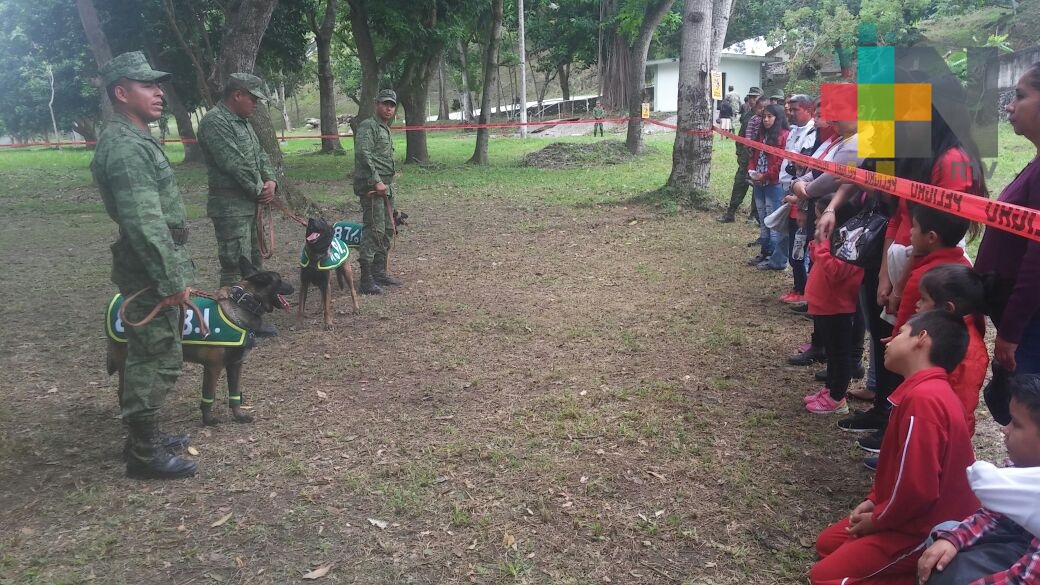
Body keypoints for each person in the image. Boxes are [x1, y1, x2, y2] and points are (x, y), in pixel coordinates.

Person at [809, 310, 979, 585]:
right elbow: (898, 470)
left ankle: (927, 572)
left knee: (825, 578)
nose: (887, 341)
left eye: (900, 333)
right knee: (826, 544)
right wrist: (875, 499)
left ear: (921, 339)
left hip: (926, 529)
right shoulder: (922, 391)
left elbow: (917, 490)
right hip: (905, 516)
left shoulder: (925, 401)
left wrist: (877, 520)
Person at [90, 51, 198, 480]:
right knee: (157, 356)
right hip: (149, 269)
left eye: (158, 84)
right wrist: (172, 280)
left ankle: (145, 437)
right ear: (121, 92)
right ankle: (142, 452)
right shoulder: (125, 148)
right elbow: (144, 222)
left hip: (152, 265)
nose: (158, 92)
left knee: (153, 351)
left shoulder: (134, 139)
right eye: (147, 85)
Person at [918, 374, 1040, 585]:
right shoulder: (1022, 466)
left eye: (1017, 425)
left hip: (1029, 558)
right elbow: (994, 514)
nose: (1005, 429)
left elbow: (1026, 579)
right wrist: (953, 539)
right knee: (942, 535)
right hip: (1020, 542)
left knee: (945, 575)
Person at [975, 63, 1040, 426]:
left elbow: (1037, 258)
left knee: (1027, 418)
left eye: (1020, 96)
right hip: (1024, 323)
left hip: (1030, 327)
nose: (1010, 106)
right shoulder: (1035, 162)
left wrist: (1012, 330)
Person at [197, 73, 279, 336]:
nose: (255, 104)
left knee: (253, 266)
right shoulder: (215, 122)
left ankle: (251, 318)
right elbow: (233, 162)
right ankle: (230, 324)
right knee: (235, 265)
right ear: (237, 95)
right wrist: (259, 190)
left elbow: (260, 155)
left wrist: (270, 181)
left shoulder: (243, 122)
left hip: (250, 204)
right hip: (230, 207)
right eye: (253, 98)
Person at [803, 194, 864, 414]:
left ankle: (838, 398)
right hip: (824, 304)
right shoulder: (832, 240)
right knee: (832, 352)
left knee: (840, 354)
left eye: (821, 218)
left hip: (837, 306)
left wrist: (821, 244)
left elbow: (836, 270)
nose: (817, 222)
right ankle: (830, 389)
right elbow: (818, 261)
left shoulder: (850, 245)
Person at [917, 264, 989, 436]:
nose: (917, 304)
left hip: (944, 430)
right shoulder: (944, 332)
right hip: (929, 418)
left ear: (948, 308)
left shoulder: (968, 351)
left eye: (923, 299)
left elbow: (963, 402)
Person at [353, 88, 403, 295]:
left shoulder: (385, 128)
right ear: (377, 104)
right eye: (385, 104)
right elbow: (363, 155)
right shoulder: (368, 126)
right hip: (373, 187)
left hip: (386, 187)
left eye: (392, 105)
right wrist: (376, 181)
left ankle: (379, 272)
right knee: (374, 230)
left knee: (389, 229)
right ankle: (366, 280)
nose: (389, 108)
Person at [747, 103, 789, 270]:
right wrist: (751, 170)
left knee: (773, 221)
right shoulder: (761, 136)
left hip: (773, 183)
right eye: (764, 116)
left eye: (770, 116)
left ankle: (774, 256)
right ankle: (765, 252)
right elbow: (753, 155)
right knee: (763, 219)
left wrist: (765, 176)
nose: (766, 120)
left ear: (777, 118)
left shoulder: (784, 136)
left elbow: (780, 163)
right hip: (759, 182)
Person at [718, 87, 763, 223]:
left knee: (758, 187)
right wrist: (739, 152)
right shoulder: (747, 115)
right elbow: (741, 135)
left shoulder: (766, 116)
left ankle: (754, 215)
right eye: (750, 97)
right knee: (739, 183)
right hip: (745, 157)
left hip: (759, 159)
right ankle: (730, 212)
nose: (752, 100)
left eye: (755, 97)